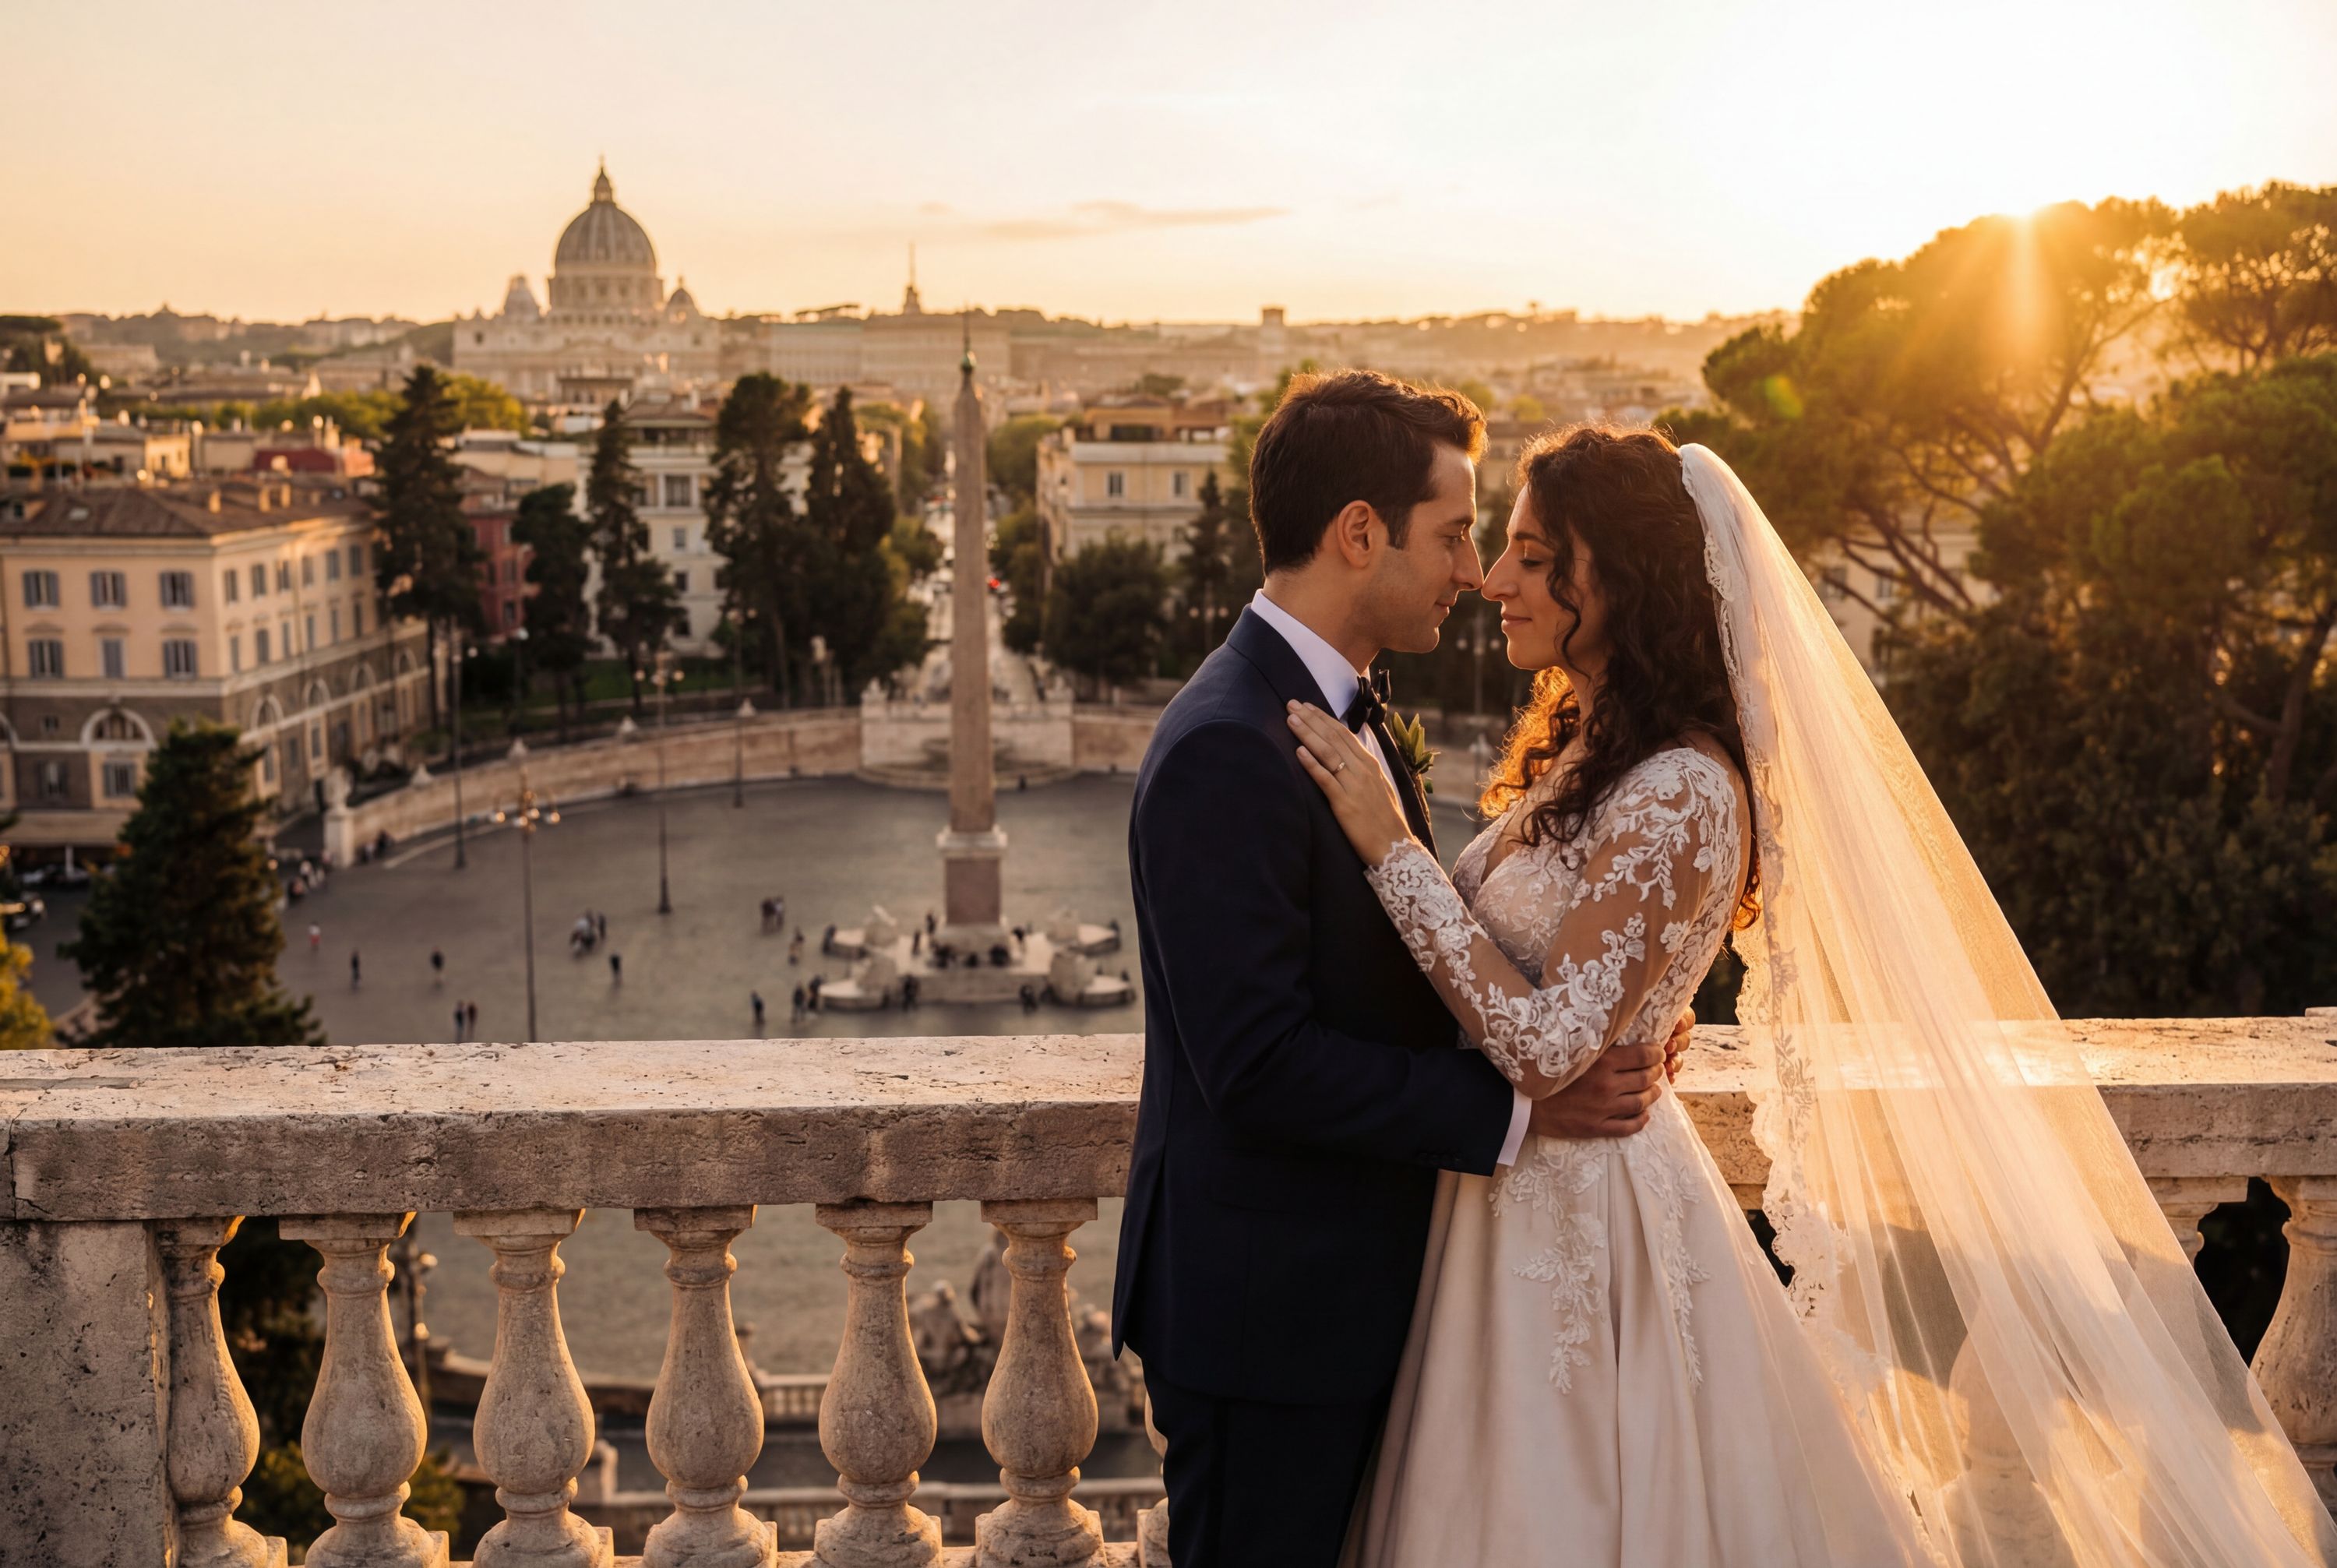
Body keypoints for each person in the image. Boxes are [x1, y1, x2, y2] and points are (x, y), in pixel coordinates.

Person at [1299, 421, 2337, 1566]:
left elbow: (1547, 1045)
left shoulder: (1686, 786)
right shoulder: (1583, 752)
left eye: (1536, 555)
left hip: (1591, 1234)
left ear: (1625, 578)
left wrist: (1394, 847)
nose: (1497, 579)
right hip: (1499, 1213)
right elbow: (1554, 990)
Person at [1115, 374, 1688, 1568]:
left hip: (1352, 1300)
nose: (1475, 571)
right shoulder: (1229, 745)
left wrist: (1606, 1006)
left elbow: (1413, 961)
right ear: (1358, 532)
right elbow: (1257, 1064)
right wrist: (1523, 1105)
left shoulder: (1337, 713)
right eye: (1456, 533)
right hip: (1267, 1326)